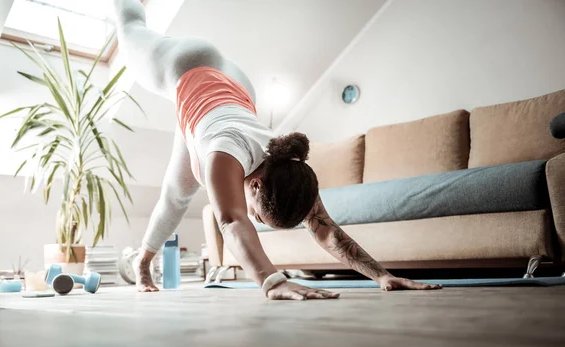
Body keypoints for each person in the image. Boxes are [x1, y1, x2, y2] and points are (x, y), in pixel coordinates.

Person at [112, 0, 442, 300]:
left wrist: (381, 275)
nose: (254, 217)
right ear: (255, 186)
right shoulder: (224, 154)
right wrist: (274, 281)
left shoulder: (289, 171)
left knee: (177, 193)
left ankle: (141, 262)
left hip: (235, 91)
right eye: (259, 214)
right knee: (129, 28)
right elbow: (232, 221)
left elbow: (326, 231)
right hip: (187, 65)